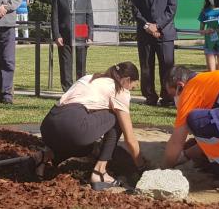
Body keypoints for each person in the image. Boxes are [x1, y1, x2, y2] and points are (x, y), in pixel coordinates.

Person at [32, 62, 144, 190]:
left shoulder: (89, 78)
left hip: (48, 126)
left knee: (86, 147)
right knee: (117, 118)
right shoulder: (119, 90)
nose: (130, 90)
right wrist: (141, 166)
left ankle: (45, 155)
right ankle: (100, 172)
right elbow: (130, 138)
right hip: (73, 126)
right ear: (127, 80)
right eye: (132, 87)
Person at [133, 0, 178, 107]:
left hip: (164, 33)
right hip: (145, 34)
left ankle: (167, 97)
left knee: (167, 67)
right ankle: (150, 96)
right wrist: (147, 26)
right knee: (146, 66)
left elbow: (171, 10)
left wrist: (157, 26)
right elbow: (135, 9)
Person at [51, 0, 94, 91]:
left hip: (81, 30)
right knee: (65, 63)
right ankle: (67, 89)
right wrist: (56, 35)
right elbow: (54, 17)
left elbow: (89, 16)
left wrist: (90, 35)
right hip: (64, 31)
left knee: (81, 62)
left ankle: (80, 88)